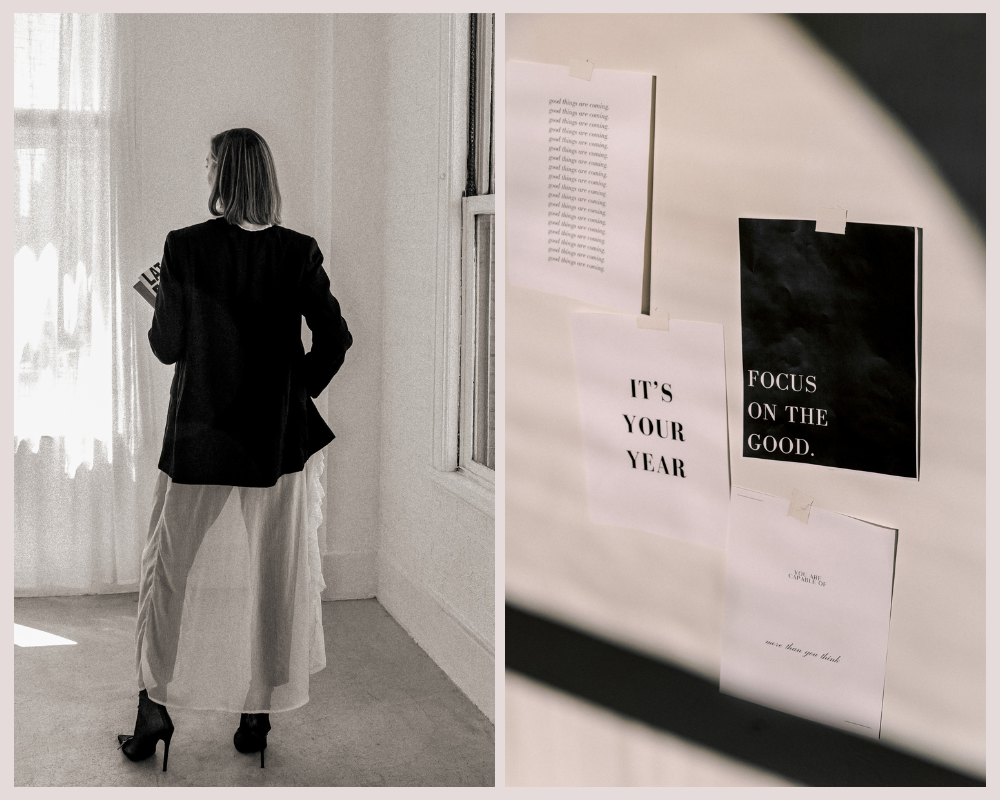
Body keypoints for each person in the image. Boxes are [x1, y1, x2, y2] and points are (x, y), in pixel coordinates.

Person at [117, 128, 353, 771]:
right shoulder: (298, 251)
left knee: (166, 573)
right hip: (273, 445)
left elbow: (168, 347)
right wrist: (291, 393)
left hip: (198, 440)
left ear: (220, 175)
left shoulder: (184, 247)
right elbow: (336, 339)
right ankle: (258, 712)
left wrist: (163, 300)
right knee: (273, 576)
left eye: (207, 162)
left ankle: (152, 708)